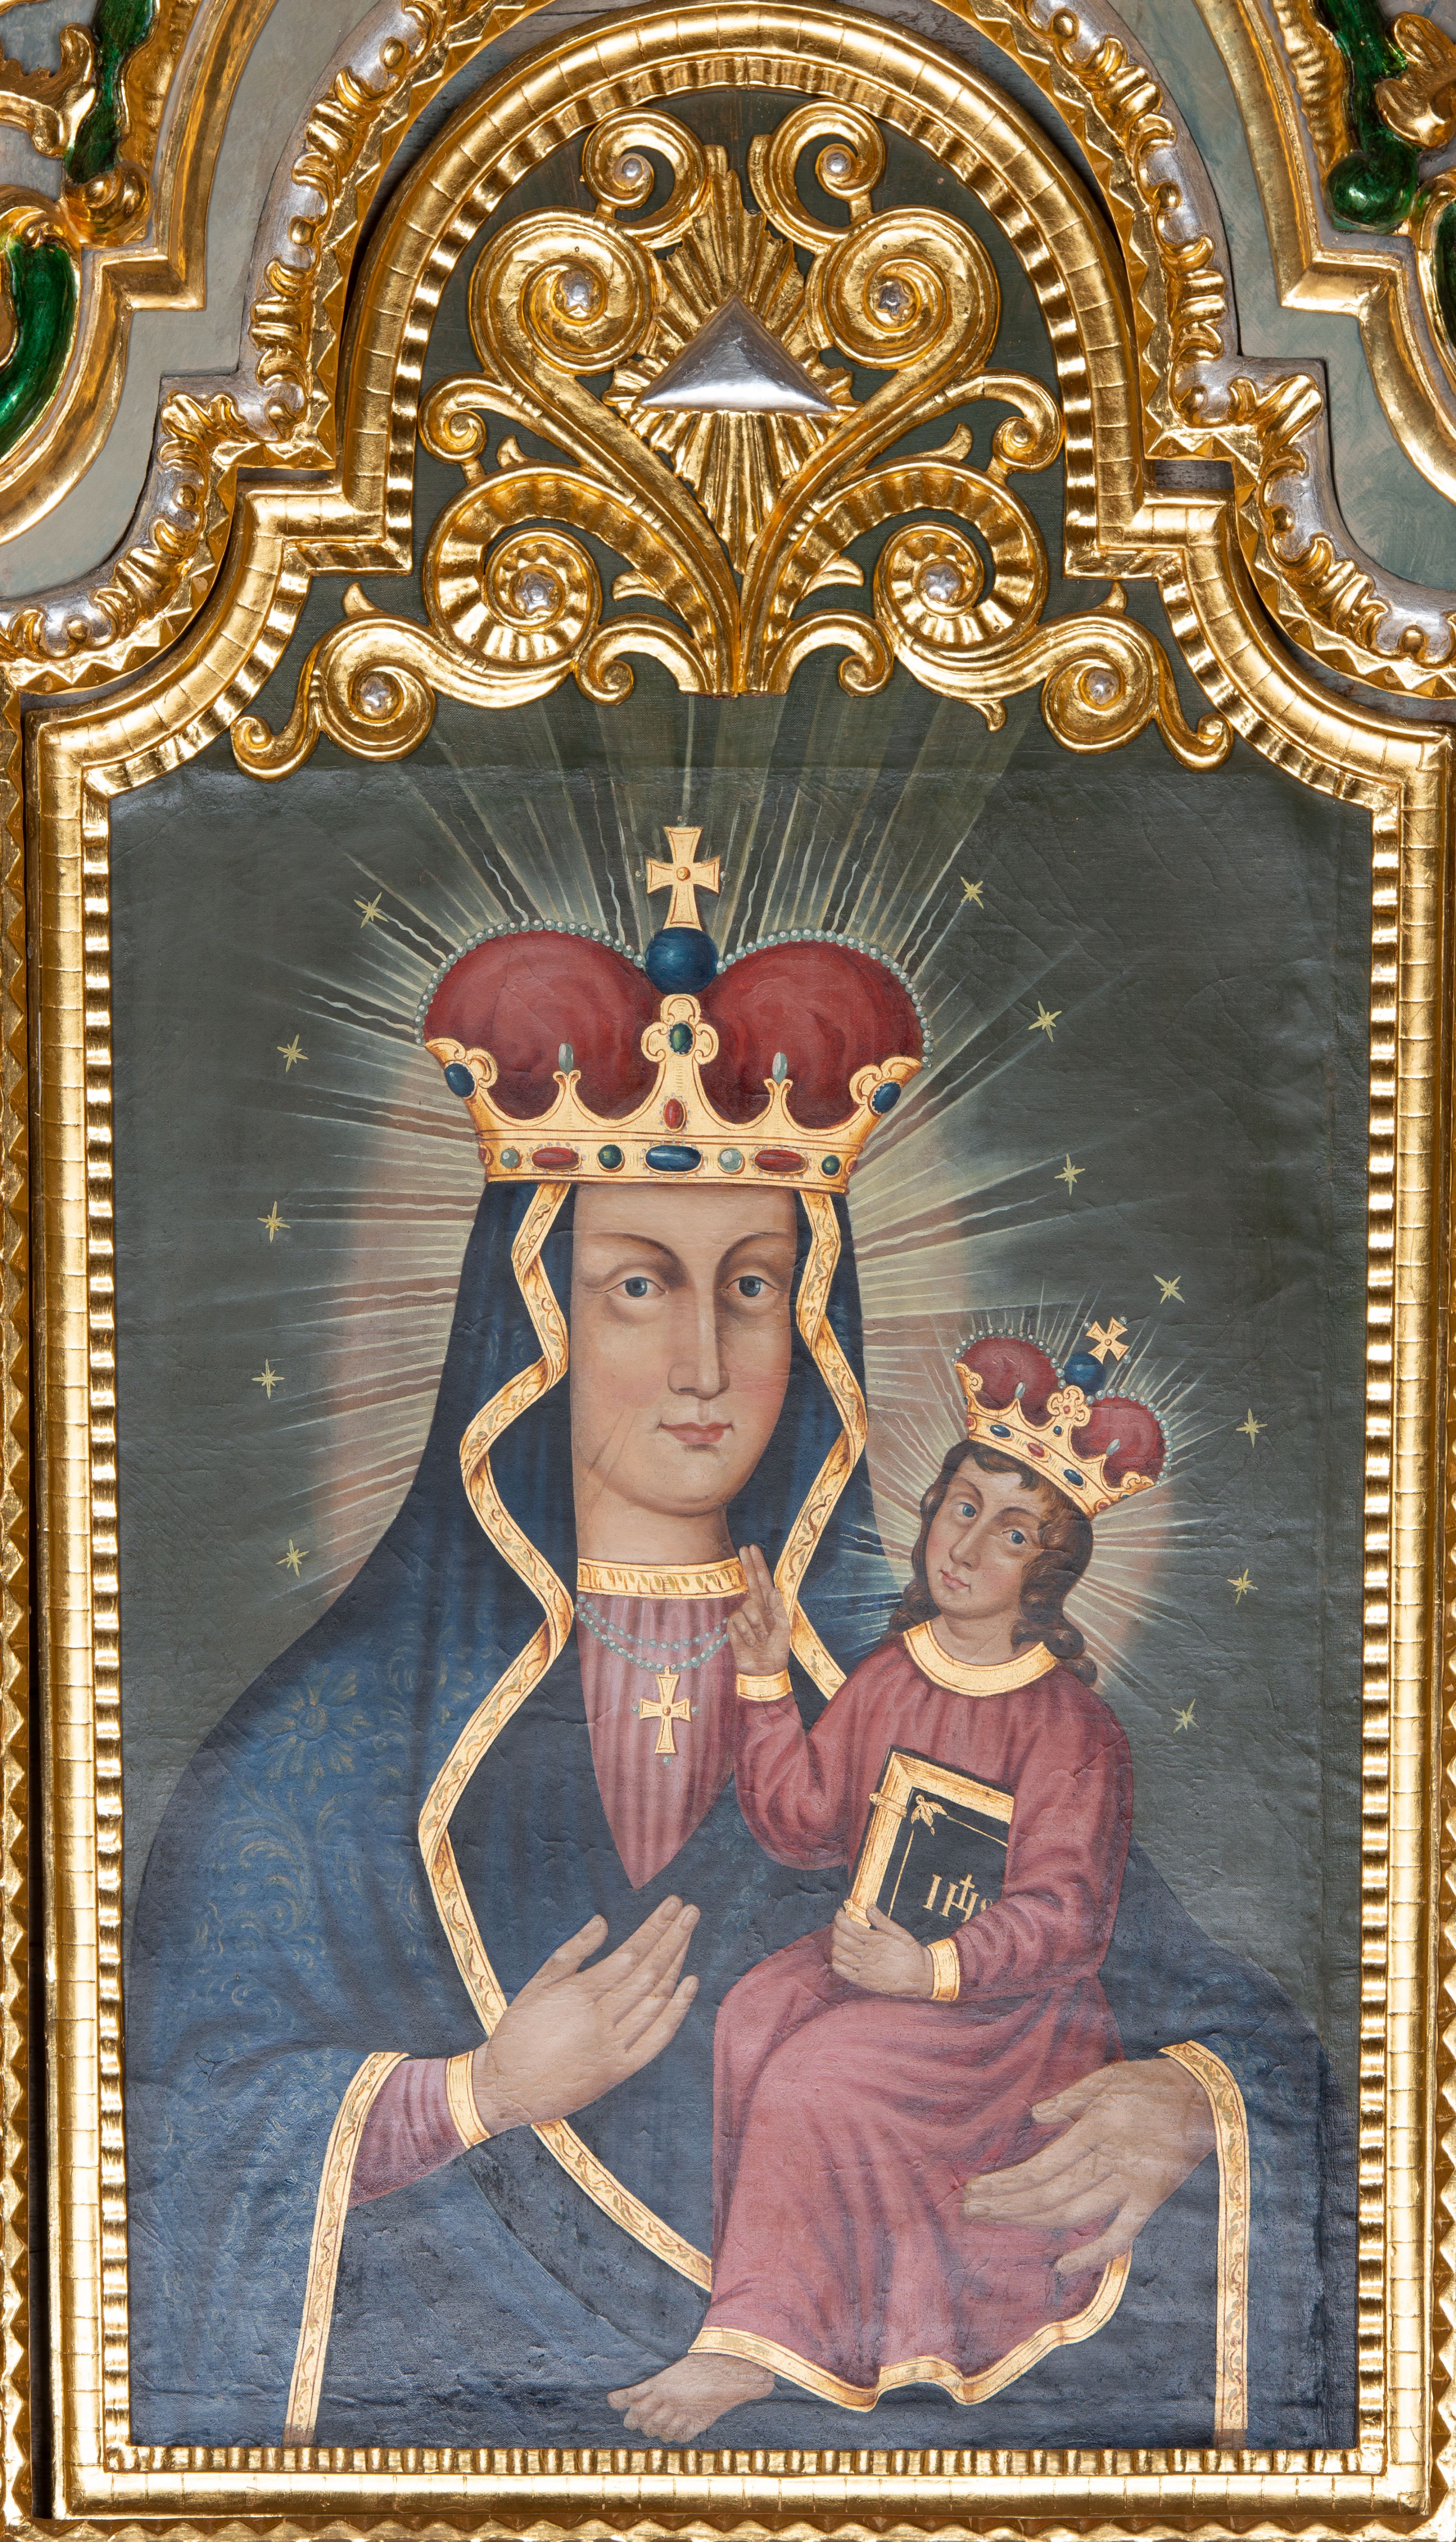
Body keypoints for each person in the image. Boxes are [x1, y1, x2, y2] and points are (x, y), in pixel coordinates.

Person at [126, 900, 1355, 2453]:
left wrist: (1183, 2104)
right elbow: (165, 2135)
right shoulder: (339, 1730)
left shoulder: (935, 1688)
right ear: (532, 1315)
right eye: (640, 1284)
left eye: (755, 1286)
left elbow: (1206, 2012)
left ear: (815, 1323)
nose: (706, 1362)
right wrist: (475, 2096)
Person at [613, 1338, 1163, 2438]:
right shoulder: (892, 1672)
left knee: (817, 2071)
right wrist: (764, 1678)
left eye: (1013, 1533)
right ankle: (811, 2306)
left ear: (1047, 1570)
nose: (970, 1545)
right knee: (755, 2012)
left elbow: (1066, 1917)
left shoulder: (1073, 1728)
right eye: (962, 1508)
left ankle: (750, 2346)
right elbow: (806, 1824)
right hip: (878, 1960)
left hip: (1004, 2017)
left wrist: (935, 1968)